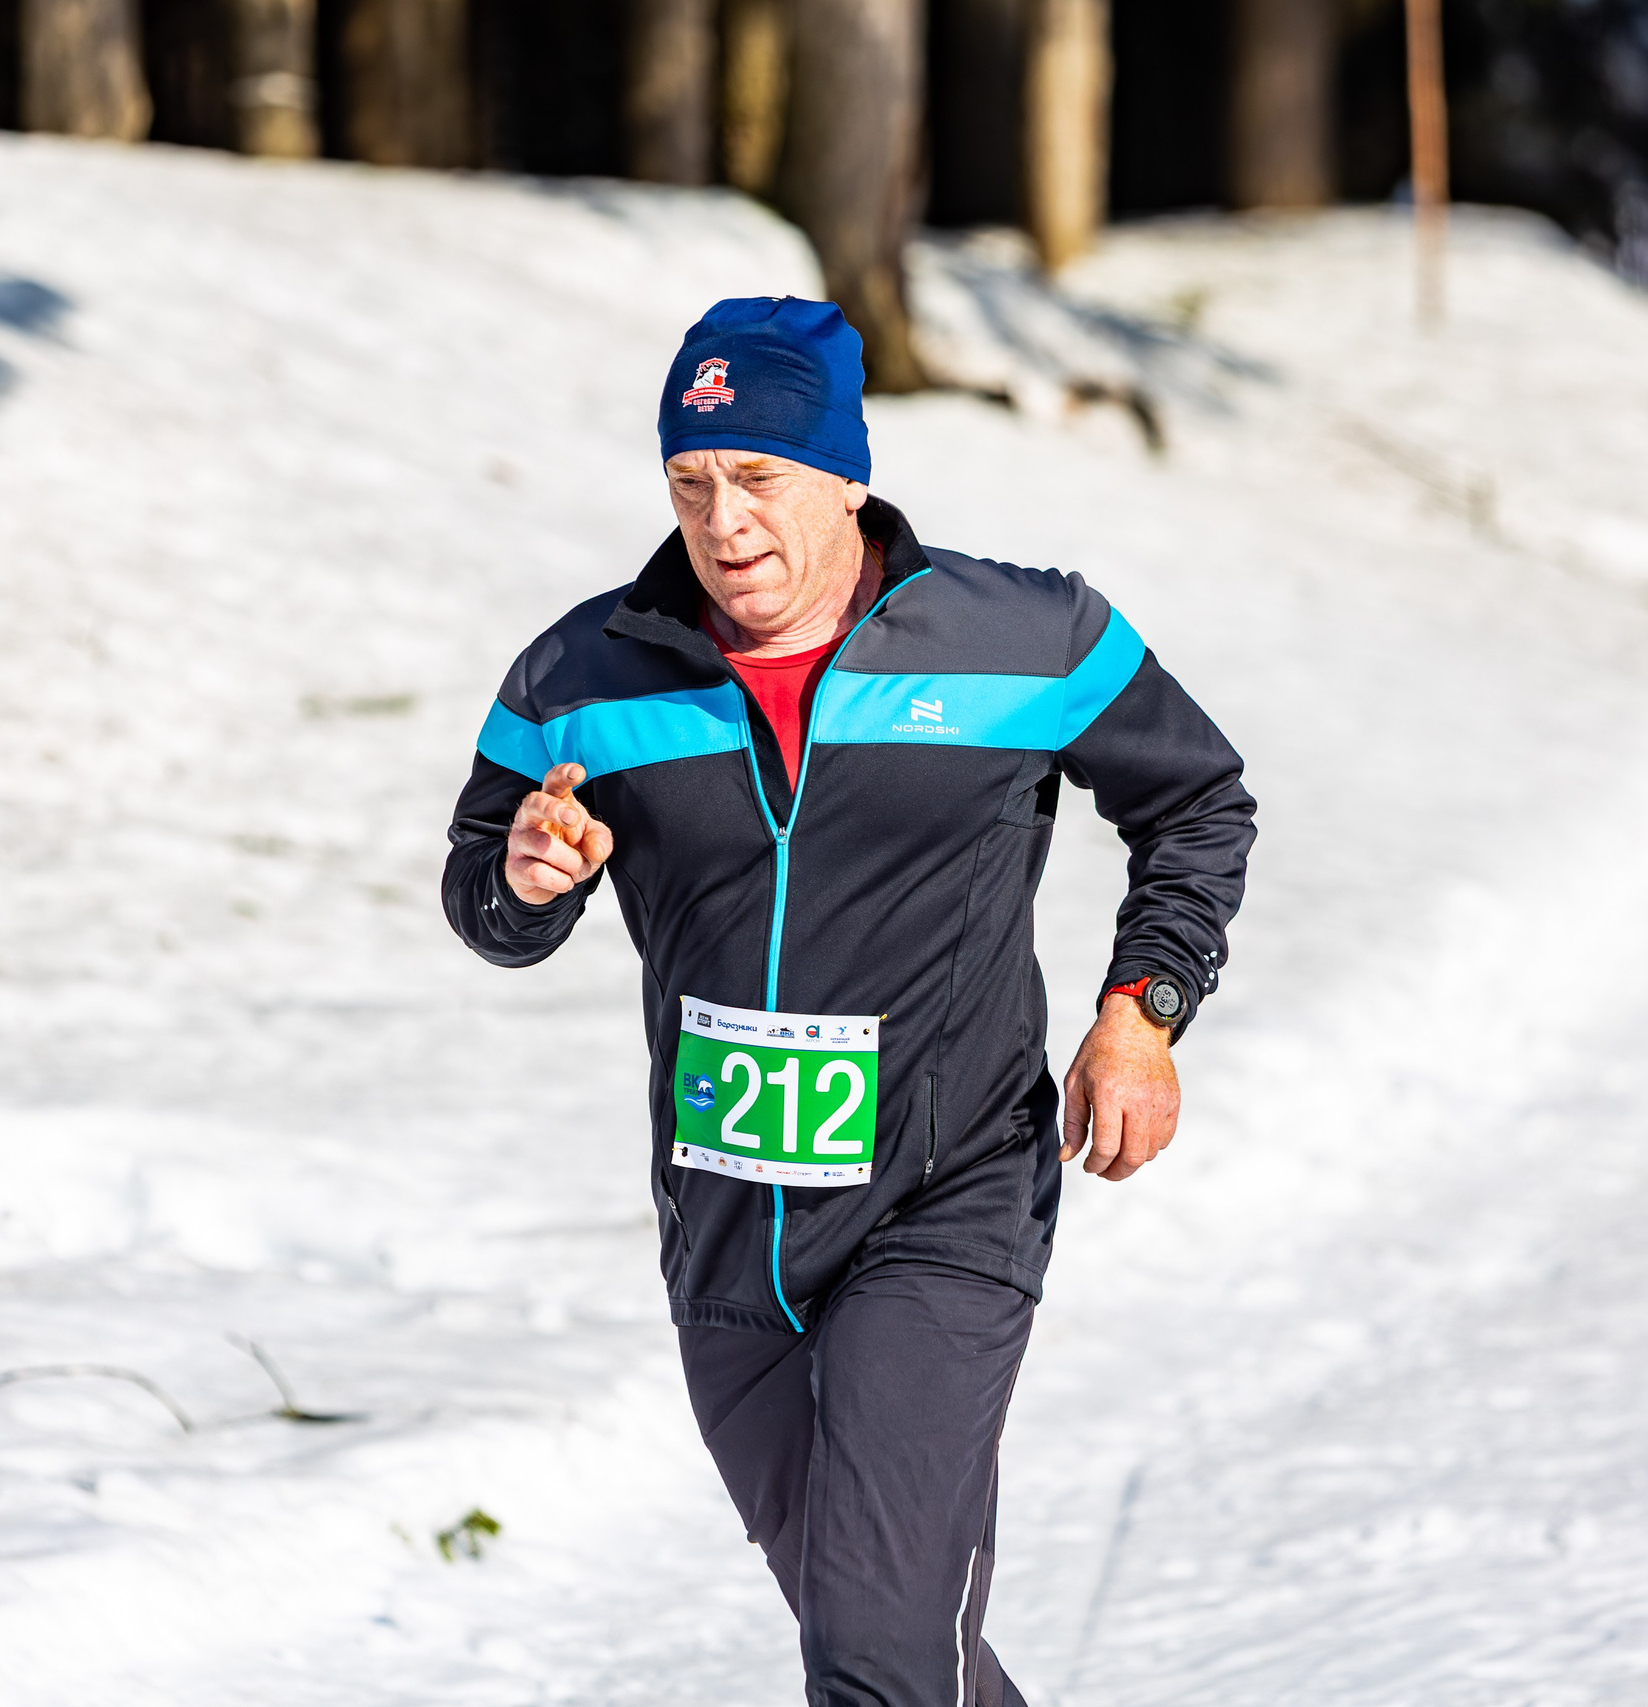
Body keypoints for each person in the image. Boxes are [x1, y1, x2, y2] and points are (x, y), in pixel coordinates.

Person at [442, 296, 1254, 1706]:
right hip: (726, 1229)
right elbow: (487, 899)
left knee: (877, 1651)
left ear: (848, 477)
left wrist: (1144, 1006)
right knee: (883, 1635)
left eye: (759, 479)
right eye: (692, 485)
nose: (725, 522)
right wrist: (527, 877)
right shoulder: (583, 675)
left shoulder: (1024, 638)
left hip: (944, 1200)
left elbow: (1196, 802)